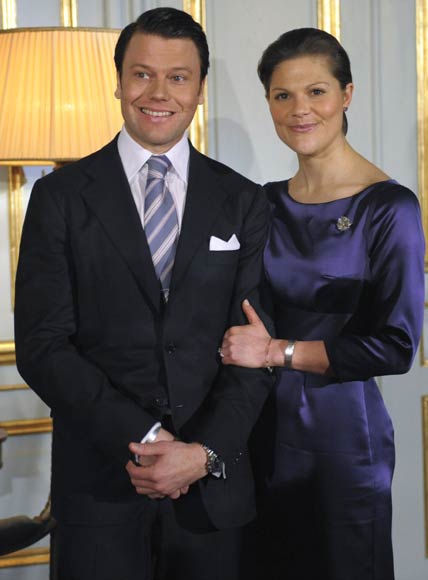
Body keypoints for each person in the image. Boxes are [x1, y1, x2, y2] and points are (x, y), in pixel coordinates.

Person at [14, 8, 273, 580]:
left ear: (200, 89)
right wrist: (148, 439)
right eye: (142, 74)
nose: (158, 93)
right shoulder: (59, 197)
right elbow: (42, 346)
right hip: (100, 488)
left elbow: (256, 350)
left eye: (178, 77)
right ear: (118, 82)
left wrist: (202, 454)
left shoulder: (244, 200)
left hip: (212, 491)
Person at [220, 27, 425, 580]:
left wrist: (277, 352)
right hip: (259, 436)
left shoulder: (389, 207)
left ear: (347, 94)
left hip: (342, 444)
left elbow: (396, 346)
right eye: (282, 95)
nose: (299, 110)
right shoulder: (263, 202)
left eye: (316, 91)